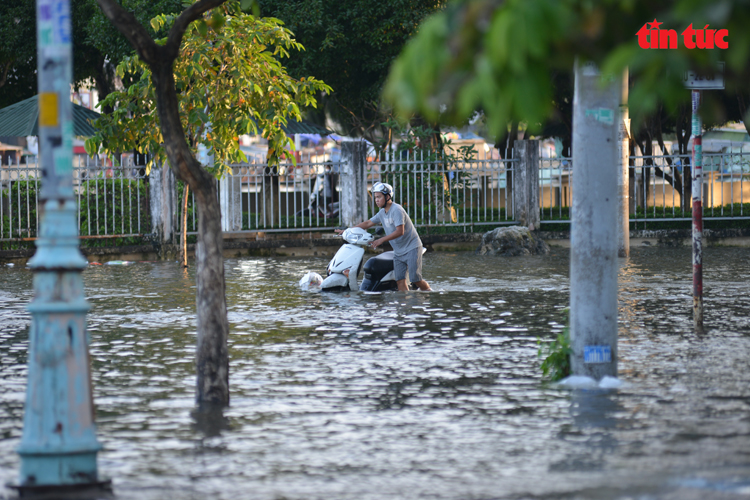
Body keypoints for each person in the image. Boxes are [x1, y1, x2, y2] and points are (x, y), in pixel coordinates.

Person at [338, 182, 431, 291]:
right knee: (400, 280)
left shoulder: (396, 210)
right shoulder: (382, 213)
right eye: (375, 197)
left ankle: (429, 294)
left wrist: (381, 240)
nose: (376, 200)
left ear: (387, 197)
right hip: (398, 251)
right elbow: (368, 223)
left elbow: (399, 231)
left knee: (415, 279)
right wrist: (348, 230)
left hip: (412, 248)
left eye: (379, 197)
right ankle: (405, 305)